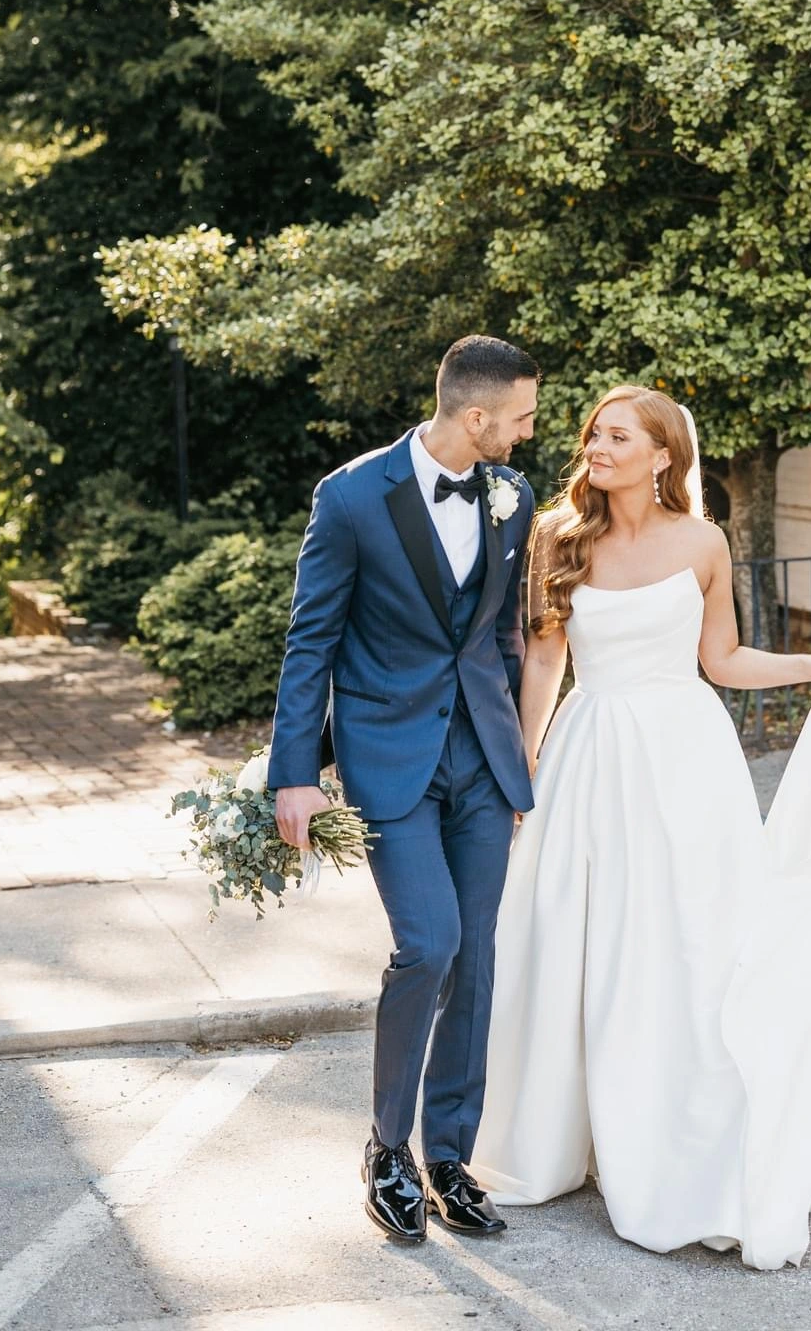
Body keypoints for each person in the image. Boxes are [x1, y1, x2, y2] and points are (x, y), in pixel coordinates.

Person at [472, 385, 811, 1270]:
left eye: (619, 435)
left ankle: (687, 1150)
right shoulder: (556, 536)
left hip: (687, 763)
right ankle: (563, 1138)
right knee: (581, 945)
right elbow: (543, 660)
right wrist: (522, 769)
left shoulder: (702, 542)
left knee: (693, 950)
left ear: (663, 456)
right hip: (590, 758)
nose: (598, 445)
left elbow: (721, 660)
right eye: (594, 433)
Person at [268, 334, 539, 1247]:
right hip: (390, 759)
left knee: (477, 959)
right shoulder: (350, 498)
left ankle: (450, 1158)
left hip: (483, 761)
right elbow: (311, 641)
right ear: (476, 417)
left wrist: (514, 746)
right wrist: (296, 774)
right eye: (523, 416)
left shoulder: (513, 496)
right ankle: (388, 1148)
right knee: (429, 944)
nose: (530, 432)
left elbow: (500, 631)